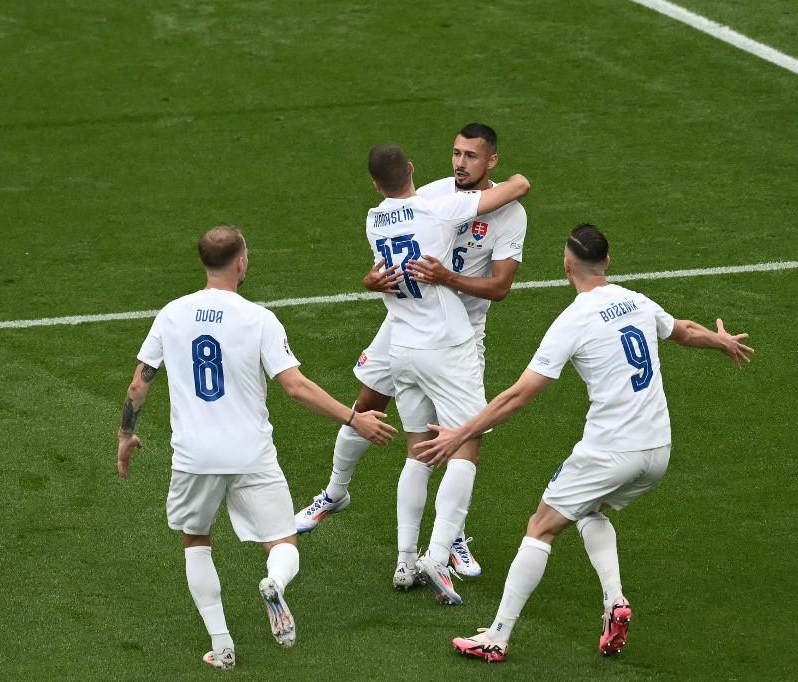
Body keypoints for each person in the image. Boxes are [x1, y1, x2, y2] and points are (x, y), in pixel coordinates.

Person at [414, 224, 753, 661]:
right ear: (607, 262)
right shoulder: (635, 299)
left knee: (541, 526)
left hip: (611, 450)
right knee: (588, 509)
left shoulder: (573, 320)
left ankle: (497, 636)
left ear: (566, 265)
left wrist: (461, 433)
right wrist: (720, 341)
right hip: (658, 451)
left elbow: (518, 396)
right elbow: (683, 330)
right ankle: (614, 602)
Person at [116, 226, 396, 670]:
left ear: (204, 262)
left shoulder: (171, 314)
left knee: (196, 540)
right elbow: (296, 387)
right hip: (251, 452)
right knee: (282, 540)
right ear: (241, 262)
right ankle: (275, 584)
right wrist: (353, 417)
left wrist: (125, 435)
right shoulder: (258, 319)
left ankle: (222, 645)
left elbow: (139, 383)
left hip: (194, 455)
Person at [295, 124, 528, 583]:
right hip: (406, 324)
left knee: (446, 437)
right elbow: (395, 251)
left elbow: (500, 286)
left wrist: (448, 279)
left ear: (491, 161)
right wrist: (370, 280)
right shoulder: (437, 195)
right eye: (456, 153)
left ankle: (448, 536)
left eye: (471, 156)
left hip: (460, 328)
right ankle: (335, 494)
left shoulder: (509, 215)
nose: (460, 163)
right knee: (369, 406)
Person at [357, 144, 528, 604]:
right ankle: (436, 556)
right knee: (465, 444)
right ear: (412, 169)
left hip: (402, 348)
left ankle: (404, 561)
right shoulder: (438, 208)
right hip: (447, 344)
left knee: (418, 453)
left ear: (375, 185)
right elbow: (514, 189)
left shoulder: (374, 220)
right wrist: (510, 177)